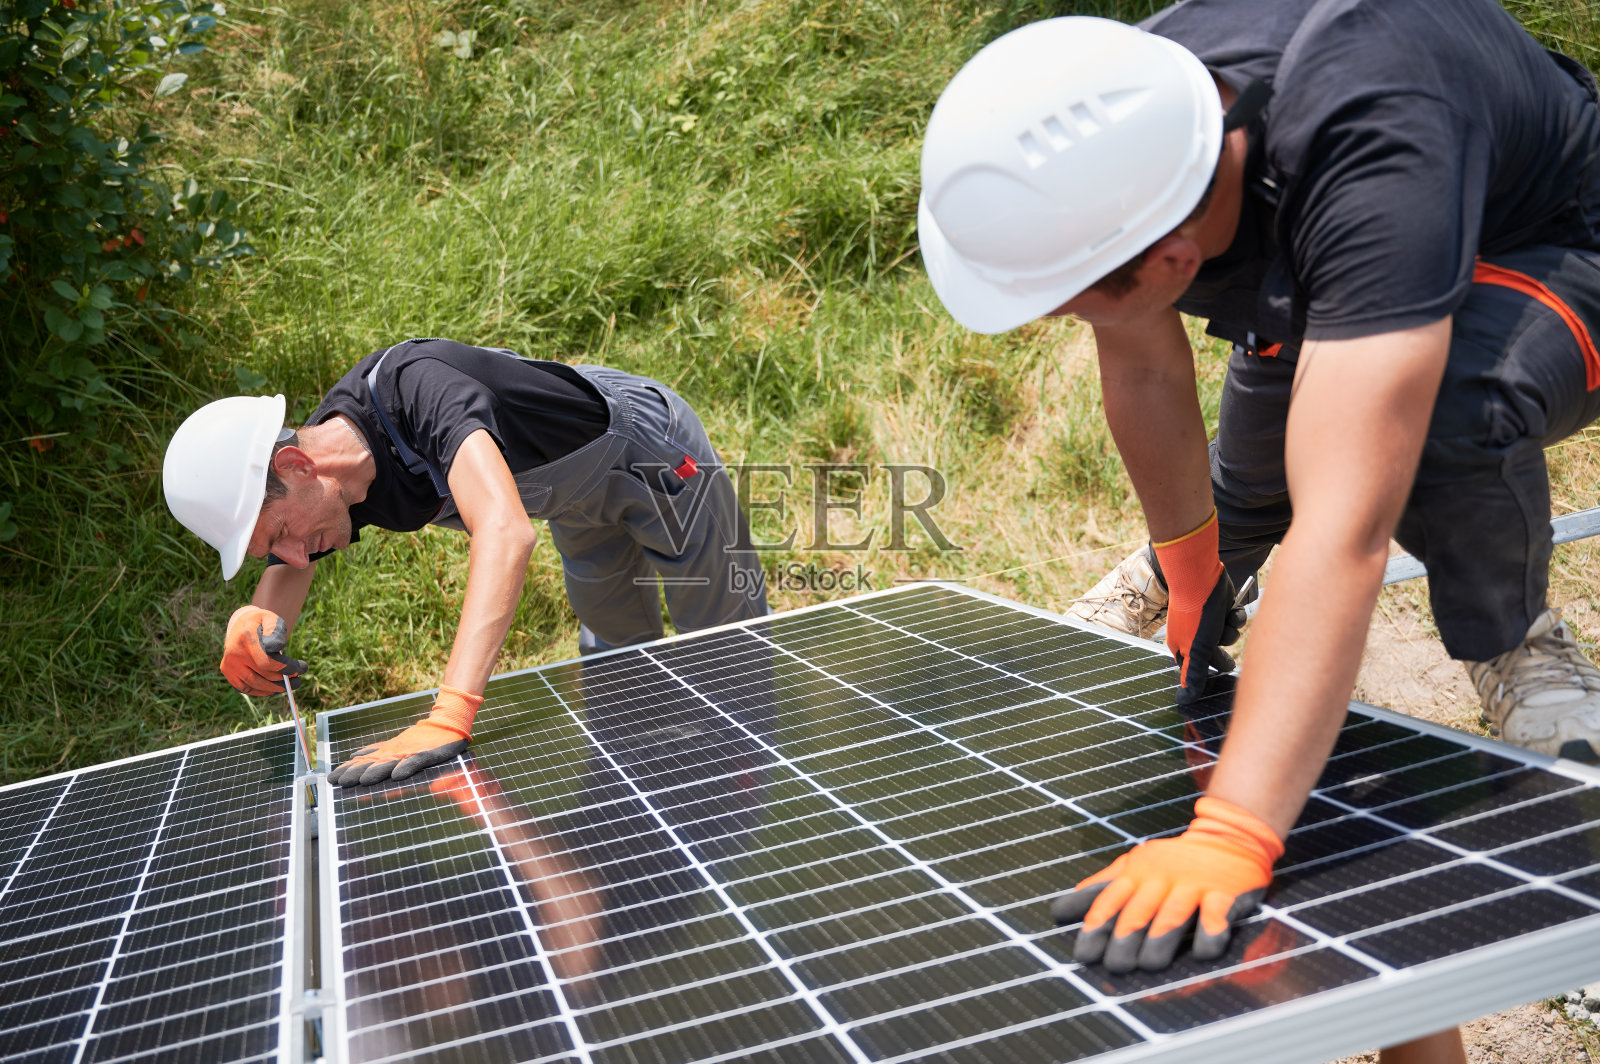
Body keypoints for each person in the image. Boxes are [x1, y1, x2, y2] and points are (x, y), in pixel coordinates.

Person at [917, 0, 1600, 1010]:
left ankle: (1512, 642)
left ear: (1171, 259)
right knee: (1249, 480)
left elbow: (1345, 526)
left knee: (1429, 427)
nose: (1058, 321)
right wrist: (1192, 567)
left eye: (1070, 299)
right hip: (1341, 228)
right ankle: (1195, 577)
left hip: (1550, 238)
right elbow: (1142, 361)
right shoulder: (1131, 117)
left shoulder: (1369, 129)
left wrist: (1233, 828)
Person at [163, 338, 767, 786]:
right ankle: (646, 790)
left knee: (720, 638)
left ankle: (747, 783)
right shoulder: (332, 476)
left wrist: (451, 713)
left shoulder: (418, 391)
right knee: (616, 655)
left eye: (282, 533)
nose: (293, 554)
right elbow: (294, 563)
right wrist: (257, 618)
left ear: (296, 466)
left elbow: (505, 532)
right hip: (575, 503)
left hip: (648, 452)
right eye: (272, 549)